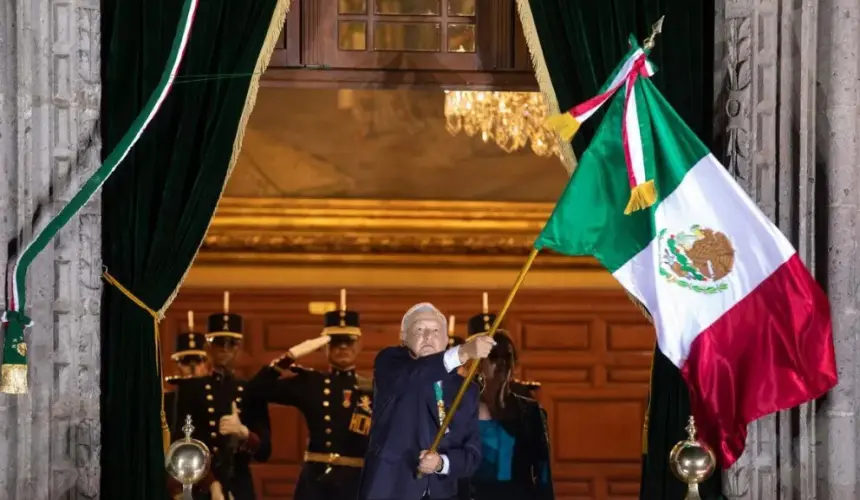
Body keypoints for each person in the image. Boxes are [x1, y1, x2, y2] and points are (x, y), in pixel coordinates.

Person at [358, 302, 494, 500]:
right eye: (420, 329)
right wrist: (462, 352)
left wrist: (441, 463)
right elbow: (415, 376)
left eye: (436, 330)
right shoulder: (390, 363)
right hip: (390, 491)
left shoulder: (466, 390)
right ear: (403, 336)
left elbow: (471, 455)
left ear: (447, 339)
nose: (428, 336)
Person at [248, 290, 372, 500]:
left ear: (359, 345)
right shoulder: (312, 383)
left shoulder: (373, 388)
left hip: (356, 484)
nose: (342, 346)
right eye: (334, 341)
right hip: (315, 484)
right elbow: (256, 390)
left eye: (349, 341)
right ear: (324, 347)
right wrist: (288, 358)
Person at [171, 293, 271, 500]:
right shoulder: (191, 389)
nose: (224, 349)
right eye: (218, 343)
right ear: (208, 346)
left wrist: (244, 433)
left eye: (231, 344)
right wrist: (212, 485)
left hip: (240, 486)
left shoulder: (250, 390)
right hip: (203, 486)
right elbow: (182, 445)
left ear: (238, 347)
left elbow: (265, 451)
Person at [469, 332, 554, 500]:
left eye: (507, 356)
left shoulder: (532, 412)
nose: (501, 362)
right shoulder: (464, 413)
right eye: (493, 356)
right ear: (479, 365)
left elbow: (543, 473)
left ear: (515, 364)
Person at [164, 311, 209, 431]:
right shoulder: (167, 401)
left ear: (206, 364)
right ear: (177, 365)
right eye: (186, 362)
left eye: (198, 361)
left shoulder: (214, 395)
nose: (193, 367)